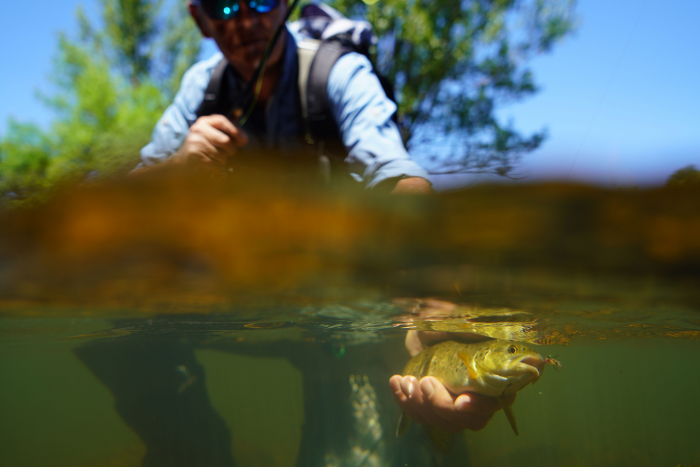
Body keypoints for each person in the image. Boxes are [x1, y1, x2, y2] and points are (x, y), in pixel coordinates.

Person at [131, 0, 432, 196]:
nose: (247, 22)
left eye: (263, 1)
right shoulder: (200, 86)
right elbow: (130, 193)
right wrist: (178, 167)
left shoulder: (339, 70)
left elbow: (396, 173)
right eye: (223, 5)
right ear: (200, 21)